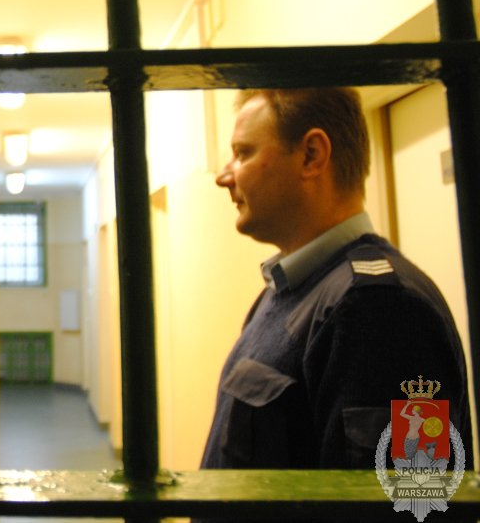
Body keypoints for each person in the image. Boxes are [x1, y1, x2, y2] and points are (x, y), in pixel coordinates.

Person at [201, 88, 471, 474]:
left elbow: (412, 495)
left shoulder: (379, 308)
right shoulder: (286, 293)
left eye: (243, 153)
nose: (224, 176)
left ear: (311, 155)